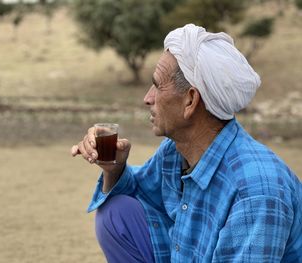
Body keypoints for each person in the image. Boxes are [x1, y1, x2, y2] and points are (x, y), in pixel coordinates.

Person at [71, 24, 302, 263]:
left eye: (158, 85)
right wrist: (114, 169)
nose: (147, 98)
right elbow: (138, 194)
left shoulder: (256, 193)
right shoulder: (174, 152)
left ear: (190, 100)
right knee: (116, 212)